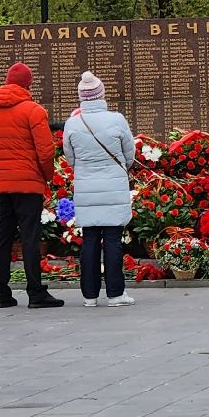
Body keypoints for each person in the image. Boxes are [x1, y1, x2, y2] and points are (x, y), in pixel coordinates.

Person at [0, 62, 65, 309]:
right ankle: (35, 293)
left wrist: (0, 169)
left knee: (2, 237)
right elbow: (45, 151)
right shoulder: (34, 111)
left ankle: (1, 294)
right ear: (28, 84)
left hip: (2, 186)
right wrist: (45, 176)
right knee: (29, 237)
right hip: (29, 185)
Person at [62, 71, 135, 309]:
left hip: (86, 187)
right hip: (114, 186)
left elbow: (70, 158)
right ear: (101, 94)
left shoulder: (73, 123)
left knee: (90, 240)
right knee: (113, 240)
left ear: (81, 97)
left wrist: (86, 170)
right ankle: (115, 294)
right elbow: (129, 154)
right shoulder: (117, 119)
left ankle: (90, 296)